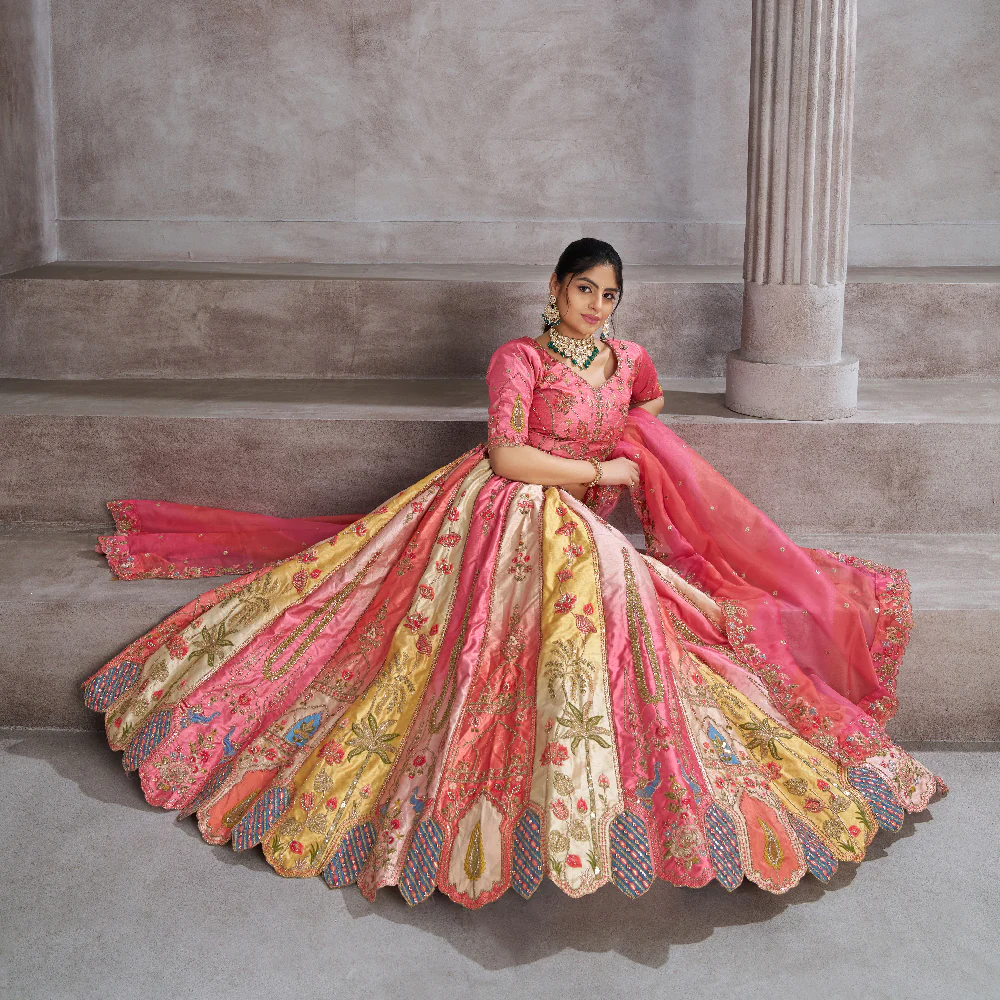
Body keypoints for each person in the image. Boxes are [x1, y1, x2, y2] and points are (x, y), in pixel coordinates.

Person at [82, 238, 945, 909]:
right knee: (578, 580)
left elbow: (647, 402)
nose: (596, 307)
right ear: (555, 288)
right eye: (584, 290)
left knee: (624, 590)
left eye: (609, 295)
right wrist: (602, 471)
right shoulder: (519, 360)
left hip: (576, 510)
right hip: (506, 502)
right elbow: (505, 455)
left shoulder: (627, 356)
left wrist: (631, 435)